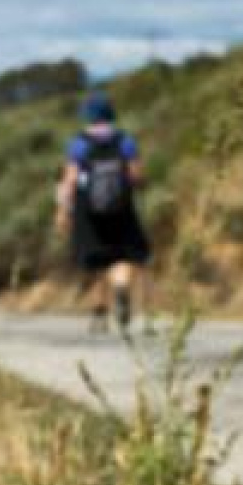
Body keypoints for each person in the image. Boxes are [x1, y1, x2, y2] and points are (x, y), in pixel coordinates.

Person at [56, 92, 150, 333]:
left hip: (88, 210)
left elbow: (69, 180)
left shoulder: (79, 144)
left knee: (96, 260)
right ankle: (121, 287)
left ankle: (99, 311)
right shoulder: (124, 141)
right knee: (122, 255)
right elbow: (137, 176)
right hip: (121, 208)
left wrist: (63, 210)